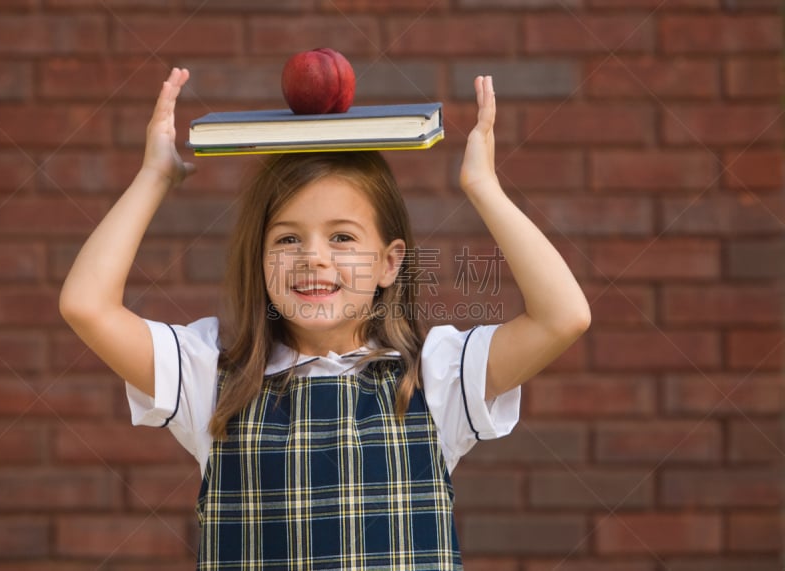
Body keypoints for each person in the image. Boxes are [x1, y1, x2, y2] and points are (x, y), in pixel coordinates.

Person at [59, 67, 591, 570]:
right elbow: (87, 305)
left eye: (342, 237)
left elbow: (562, 317)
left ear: (389, 262)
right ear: (260, 261)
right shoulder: (210, 377)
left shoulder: (436, 375)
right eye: (288, 238)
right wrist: (154, 177)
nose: (313, 257)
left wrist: (484, 187)